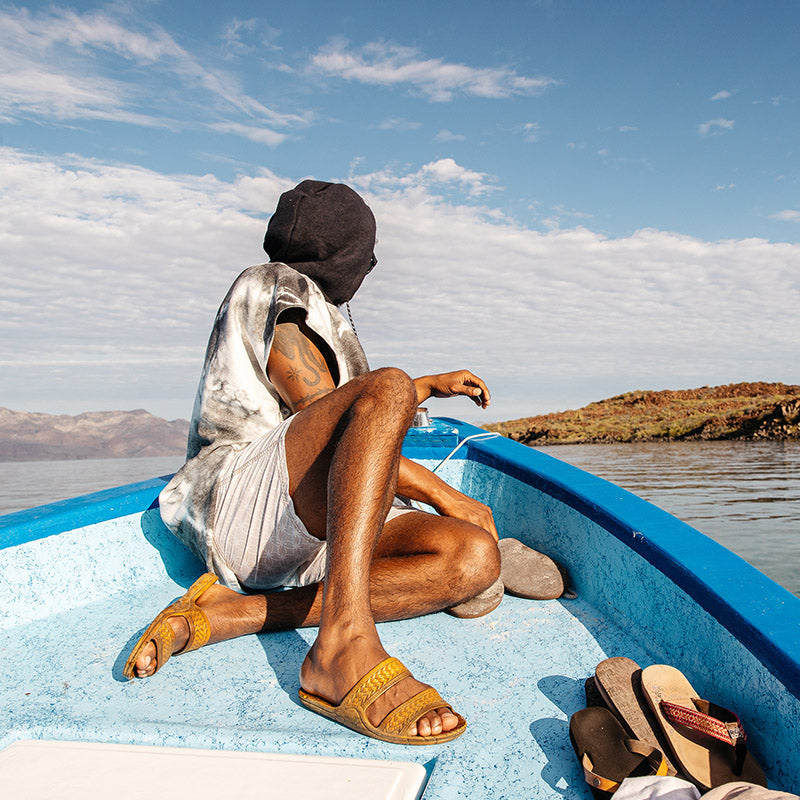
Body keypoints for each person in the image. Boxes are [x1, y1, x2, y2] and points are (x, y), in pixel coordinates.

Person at [123, 179, 502, 745]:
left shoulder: (320, 311)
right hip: (239, 509)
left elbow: (346, 418)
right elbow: (332, 417)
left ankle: (232, 615)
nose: (367, 270)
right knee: (389, 387)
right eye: (365, 258)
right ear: (346, 255)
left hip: (301, 530)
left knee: (473, 558)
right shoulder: (270, 287)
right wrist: (447, 495)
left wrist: (427, 385)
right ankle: (341, 642)